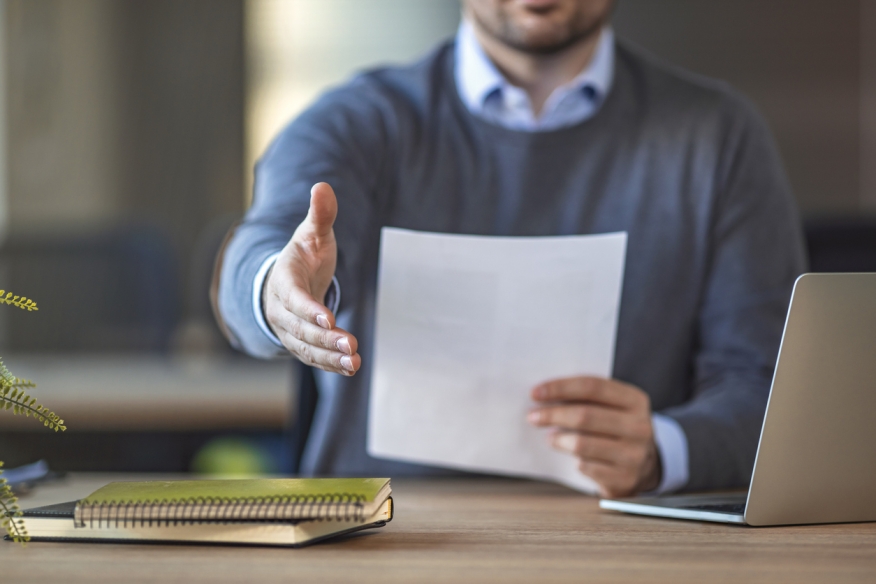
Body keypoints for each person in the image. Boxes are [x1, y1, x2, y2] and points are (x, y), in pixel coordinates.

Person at [216, 0, 806, 497]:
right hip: (380, 535)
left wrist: (662, 450)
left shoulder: (719, 136)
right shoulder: (360, 122)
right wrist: (276, 290)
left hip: (630, 545)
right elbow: (263, 247)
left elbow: (770, 389)